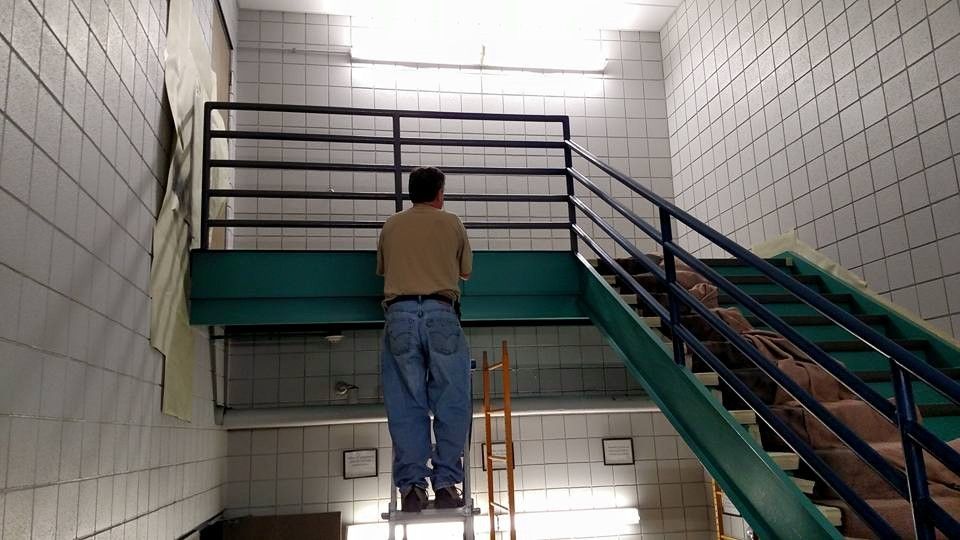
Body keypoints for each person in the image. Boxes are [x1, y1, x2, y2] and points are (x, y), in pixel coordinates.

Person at [377, 166, 473, 513]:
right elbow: (466, 272)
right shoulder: (452, 223)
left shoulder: (391, 225)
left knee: (406, 403)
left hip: (399, 315)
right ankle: (447, 484)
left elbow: (383, 268)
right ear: (439, 194)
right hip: (441, 313)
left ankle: (413, 489)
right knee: (451, 402)